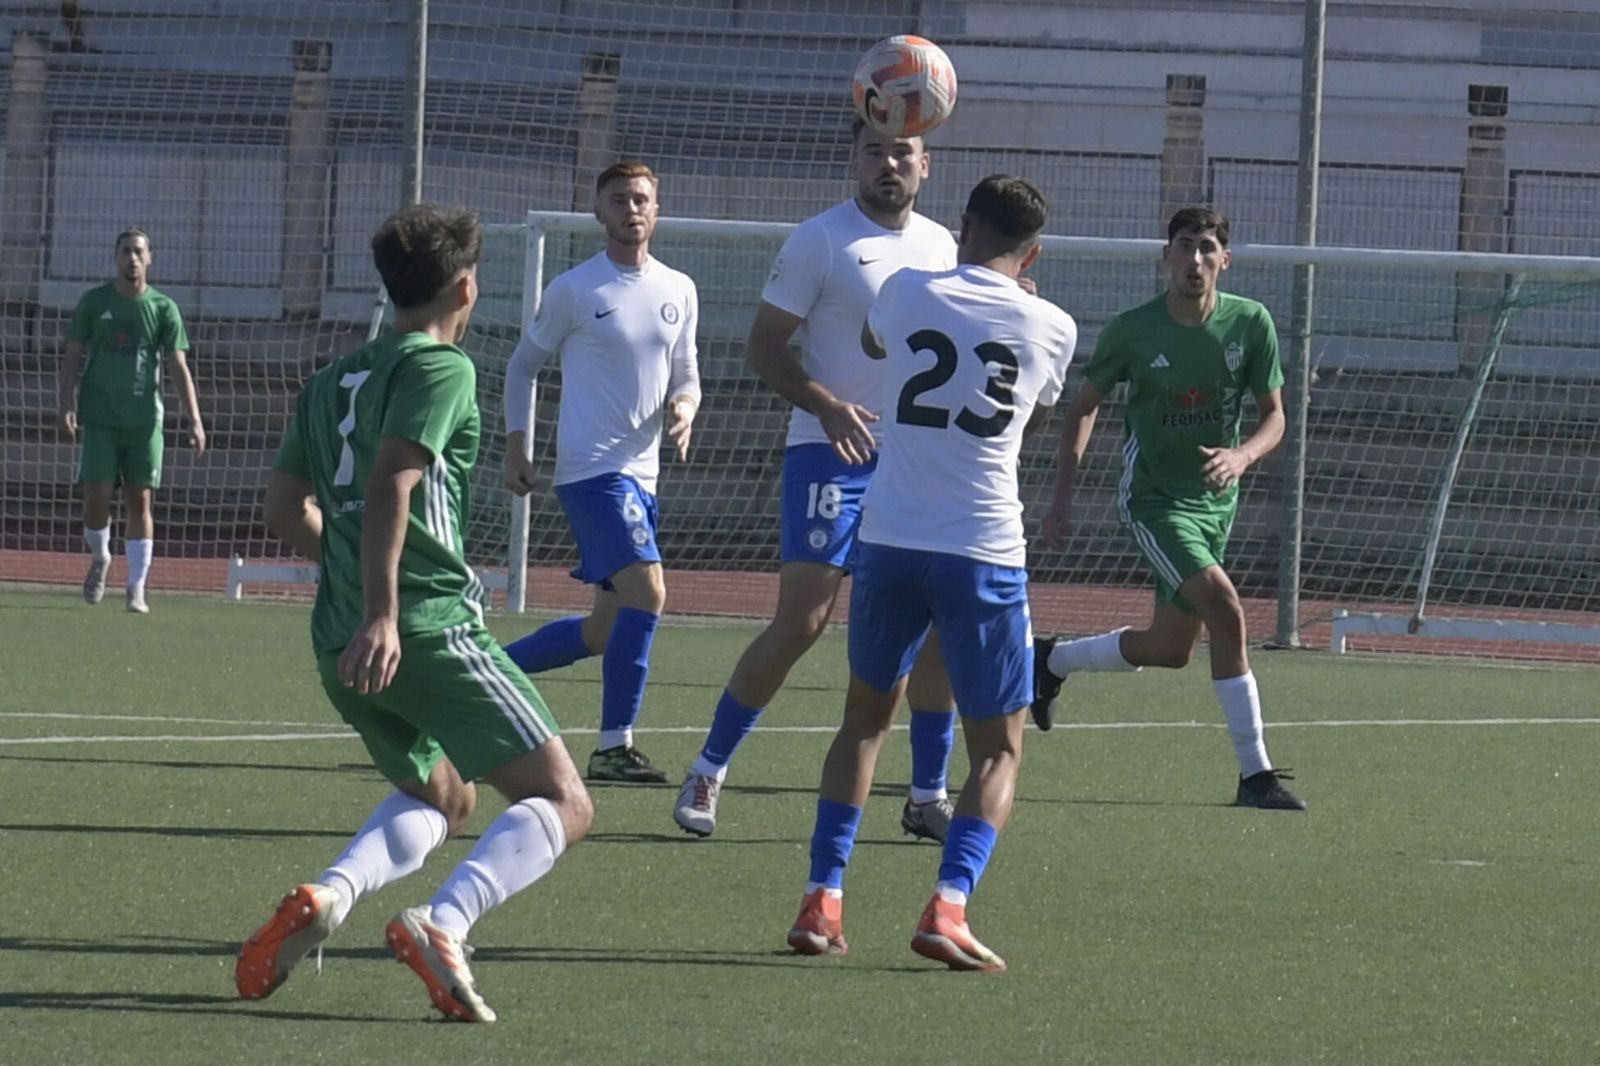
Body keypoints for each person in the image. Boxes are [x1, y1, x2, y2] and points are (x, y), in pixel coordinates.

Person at [237, 203, 593, 1024]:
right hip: (421, 628)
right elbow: (395, 477)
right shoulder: (443, 368)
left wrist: (354, 593)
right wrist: (387, 612)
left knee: (446, 798)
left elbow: (285, 506)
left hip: (337, 641)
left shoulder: (334, 379)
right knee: (567, 802)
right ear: (467, 287)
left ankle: (331, 896)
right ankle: (446, 920)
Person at [786, 174, 1077, 971]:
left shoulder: (909, 288)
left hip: (889, 539)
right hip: (981, 548)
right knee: (999, 751)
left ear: (963, 229)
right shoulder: (1053, 324)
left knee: (862, 723)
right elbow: (1035, 413)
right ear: (1034, 251)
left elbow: (881, 345)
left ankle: (822, 899)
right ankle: (948, 906)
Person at [672, 117, 961, 841]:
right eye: (873, 152)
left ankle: (927, 793)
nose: (887, 164)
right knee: (803, 619)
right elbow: (763, 348)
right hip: (829, 453)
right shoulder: (820, 239)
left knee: (932, 627)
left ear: (926, 165)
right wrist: (828, 406)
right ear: (854, 162)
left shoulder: (942, 245)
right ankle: (709, 767)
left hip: (916, 462)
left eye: (902, 153)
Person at [1033, 206, 1306, 812]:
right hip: (1153, 498)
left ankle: (1049, 660)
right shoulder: (1134, 330)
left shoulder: (1250, 323)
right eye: (1185, 247)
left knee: (1171, 648)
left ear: (1225, 261)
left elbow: (1275, 416)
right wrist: (1062, 496)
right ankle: (1255, 774)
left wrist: (1241, 456)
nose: (1196, 259)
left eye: (1208, 248)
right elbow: (1082, 408)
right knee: (1227, 608)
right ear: (1167, 258)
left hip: (1215, 501)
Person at [501, 161, 700, 785]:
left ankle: (479, 678)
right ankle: (614, 746)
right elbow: (521, 367)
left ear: (657, 210)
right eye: (619, 200)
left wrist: (685, 407)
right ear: (599, 211)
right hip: (592, 472)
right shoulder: (574, 289)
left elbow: (687, 372)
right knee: (650, 594)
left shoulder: (679, 289)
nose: (631, 209)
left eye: (641, 199)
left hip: (643, 477)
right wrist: (516, 445)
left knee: (601, 628)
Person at [56, 227, 204, 614]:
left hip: (144, 421)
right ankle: (101, 558)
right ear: (116, 257)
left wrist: (194, 419)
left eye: (139, 252)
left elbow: (177, 366)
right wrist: (65, 404)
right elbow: (72, 356)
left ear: (149, 258)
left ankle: (137, 587)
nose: (132, 259)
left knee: (141, 503)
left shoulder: (163, 308)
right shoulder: (94, 303)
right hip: (100, 417)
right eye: (126, 252)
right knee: (96, 498)